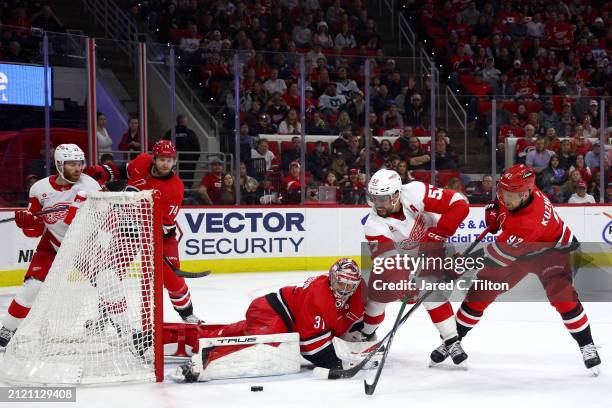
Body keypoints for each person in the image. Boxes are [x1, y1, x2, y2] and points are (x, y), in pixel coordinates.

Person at [432, 164, 601, 372]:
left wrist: (459, 267)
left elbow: (494, 256)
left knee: (561, 295)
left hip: (552, 251)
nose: (503, 196)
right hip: (522, 251)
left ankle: (587, 344)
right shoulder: (522, 191)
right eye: (501, 191)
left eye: (508, 194)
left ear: (526, 193)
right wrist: (496, 211)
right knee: (481, 291)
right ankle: (452, 341)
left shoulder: (529, 222)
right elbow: (503, 205)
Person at [174, 259, 377, 381]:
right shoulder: (319, 296)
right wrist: (336, 361)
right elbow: (310, 347)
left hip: (276, 314)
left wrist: (366, 335)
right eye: (340, 284)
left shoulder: (354, 293)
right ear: (332, 278)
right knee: (265, 345)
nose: (345, 290)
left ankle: (196, 338)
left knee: (245, 332)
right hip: (274, 312)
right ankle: (204, 361)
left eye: (350, 286)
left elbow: (357, 318)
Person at [356, 168, 470, 365]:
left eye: (383, 199)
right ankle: (366, 334)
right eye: (374, 198)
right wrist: (403, 285)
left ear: (397, 194)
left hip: (433, 249)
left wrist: (440, 233)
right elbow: (388, 263)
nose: (377, 204)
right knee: (377, 298)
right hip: (399, 262)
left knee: (431, 291)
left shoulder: (415, 191)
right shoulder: (373, 225)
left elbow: (459, 203)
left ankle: (451, 340)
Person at [85, 140, 201, 323]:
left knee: (171, 278)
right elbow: (122, 171)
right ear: (154, 158)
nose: (166, 164)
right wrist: (104, 171)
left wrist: (148, 232)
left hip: (160, 235)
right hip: (129, 229)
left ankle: (187, 314)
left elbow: (166, 223)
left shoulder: (175, 187)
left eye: (170, 160)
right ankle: (105, 315)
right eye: (162, 159)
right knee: (112, 275)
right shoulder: (142, 161)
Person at [0, 144, 101, 347]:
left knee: (109, 283)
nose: (78, 167)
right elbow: (36, 230)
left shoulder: (90, 185)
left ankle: (131, 331)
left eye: (80, 162)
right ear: (59, 164)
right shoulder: (40, 189)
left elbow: (102, 218)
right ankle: (8, 329)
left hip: (85, 245)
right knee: (33, 288)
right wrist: (28, 223)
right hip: (53, 244)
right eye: (72, 163)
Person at [163, 115, 201, 184]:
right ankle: (186, 191)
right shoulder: (190, 133)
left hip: (172, 160)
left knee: (171, 176)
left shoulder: (170, 133)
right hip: (188, 161)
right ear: (185, 122)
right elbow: (196, 147)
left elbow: (163, 145)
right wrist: (195, 159)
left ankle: (173, 190)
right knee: (187, 178)